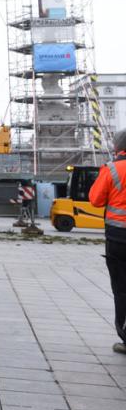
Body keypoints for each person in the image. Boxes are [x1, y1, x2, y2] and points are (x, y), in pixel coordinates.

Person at [89, 128, 126, 354]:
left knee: (122, 289)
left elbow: (94, 200)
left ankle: (125, 337)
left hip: (118, 238)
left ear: (117, 147)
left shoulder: (112, 169)